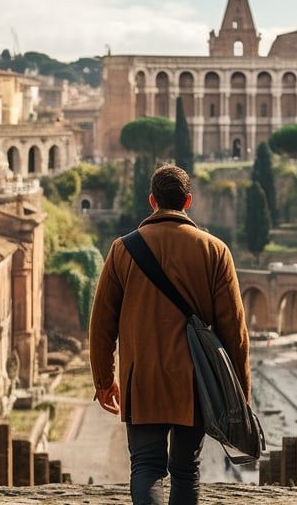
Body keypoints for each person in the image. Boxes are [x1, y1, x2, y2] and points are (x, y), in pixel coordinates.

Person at [89, 164, 250, 505]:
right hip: (195, 381)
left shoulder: (121, 250)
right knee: (186, 469)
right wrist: (240, 393)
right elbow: (234, 331)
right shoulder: (216, 251)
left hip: (141, 378)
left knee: (146, 467)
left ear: (152, 201)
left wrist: (104, 380)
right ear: (188, 201)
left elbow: (101, 324)